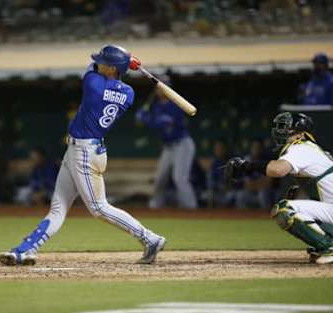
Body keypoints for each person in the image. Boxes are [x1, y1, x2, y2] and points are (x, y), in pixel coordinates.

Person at [0, 44, 166, 266]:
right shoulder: (129, 93)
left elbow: (92, 67)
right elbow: (107, 74)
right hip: (82, 150)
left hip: (85, 153)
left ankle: (150, 238)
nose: (99, 62)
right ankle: (27, 249)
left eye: (105, 62)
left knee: (98, 208)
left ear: (113, 67)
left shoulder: (93, 83)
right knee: (58, 207)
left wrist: (126, 61)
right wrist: (127, 63)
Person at [224, 112, 333, 264]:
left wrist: (249, 166)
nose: (279, 132)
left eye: (286, 129)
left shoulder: (301, 148)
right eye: (279, 128)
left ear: (300, 135)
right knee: (294, 203)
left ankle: (328, 247)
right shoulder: (309, 149)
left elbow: (277, 170)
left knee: (285, 210)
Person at [136, 82, 197, 208]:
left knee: (179, 179)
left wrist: (146, 119)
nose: (159, 90)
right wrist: (142, 116)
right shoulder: (157, 106)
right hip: (168, 147)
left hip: (182, 144)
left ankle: (191, 208)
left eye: (162, 87)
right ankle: (156, 207)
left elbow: (162, 123)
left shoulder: (175, 105)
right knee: (159, 179)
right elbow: (151, 121)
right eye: (158, 88)